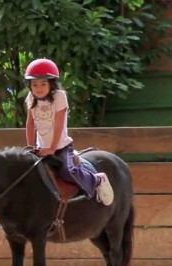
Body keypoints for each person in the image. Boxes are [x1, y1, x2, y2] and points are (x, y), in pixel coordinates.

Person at [24, 58, 114, 206]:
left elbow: (59, 124)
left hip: (61, 147)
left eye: (43, 84)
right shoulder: (31, 98)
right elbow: (30, 123)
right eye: (34, 84)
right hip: (43, 148)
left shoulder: (59, 96)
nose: (38, 88)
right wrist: (31, 146)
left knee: (67, 170)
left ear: (52, 84)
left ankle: (97, 180)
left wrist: (52, 148)